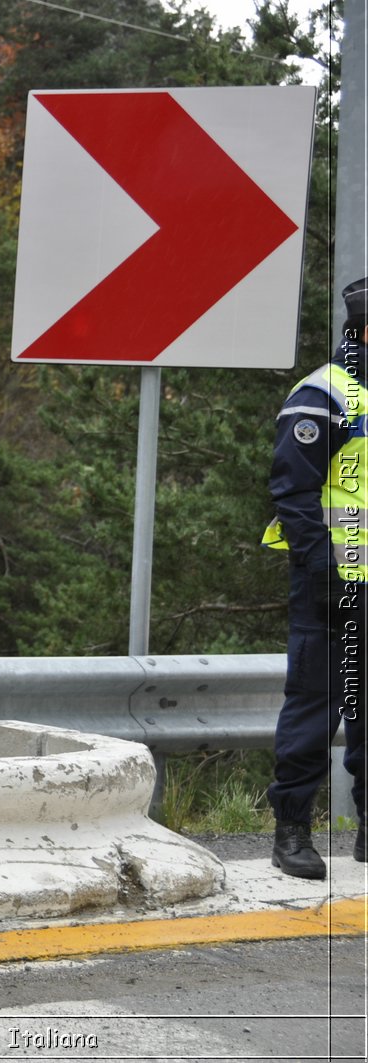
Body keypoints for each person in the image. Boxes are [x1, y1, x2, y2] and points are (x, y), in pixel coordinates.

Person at [262, 275, 366, 878]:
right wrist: (323, 563)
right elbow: (293, 490)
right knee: (314, 707)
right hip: (329, 581)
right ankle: (292, 831)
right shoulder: (324, 394)